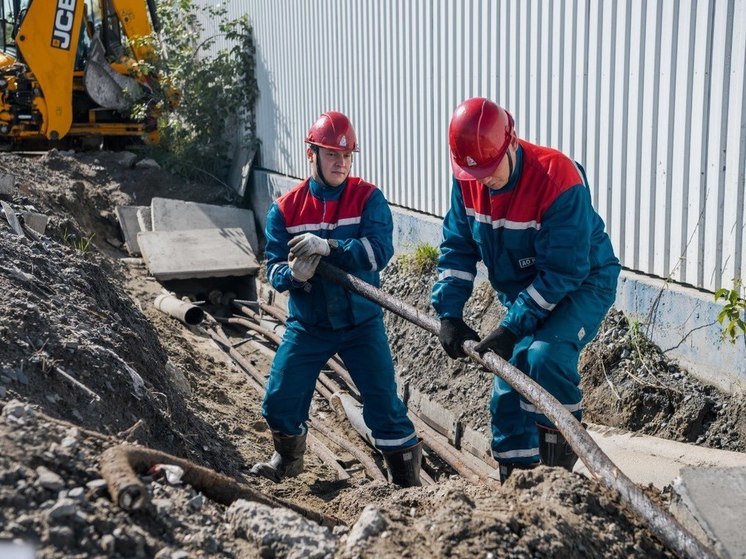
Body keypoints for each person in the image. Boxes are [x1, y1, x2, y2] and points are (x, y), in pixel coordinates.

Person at [432, 97, 620, 483]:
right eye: (474, 172)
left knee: (544, 356)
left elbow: (563, 270)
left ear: (511, 142)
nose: (483, 180)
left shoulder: (557, 177)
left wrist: (514, 326)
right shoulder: (469, 179)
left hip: (581, 283)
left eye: (489, 168)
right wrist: (449, 313)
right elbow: (458, 248)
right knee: (509, 379)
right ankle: (514, 479)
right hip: (526, 290)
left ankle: (556, 477)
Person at [251, 111, 422, 486]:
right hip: (309, 324)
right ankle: (287, 458)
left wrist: (330, 247)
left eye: (346, 156)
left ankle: (408, 485)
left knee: (384, 406)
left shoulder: (368, 198)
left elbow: (379, 252)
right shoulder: (286, 209)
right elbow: (274, 269)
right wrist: (293, 276)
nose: (341, 163)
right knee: (279, 399)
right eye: (331, 154)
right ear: (310, 153)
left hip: (361, 323)